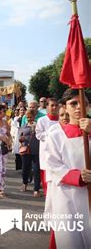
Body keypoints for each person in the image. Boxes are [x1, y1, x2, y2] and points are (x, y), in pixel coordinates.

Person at [43, 89, 91, 248]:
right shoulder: (55, 134)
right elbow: (52, 164)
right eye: (73, 103)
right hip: (66, 196)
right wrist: (78, 177)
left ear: (89, 106)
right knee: (71, 241)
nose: (79, 107)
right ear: (64, 107)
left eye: (83, 103)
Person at [35, 98, 59, 196]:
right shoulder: (42, 120)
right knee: (46, 179)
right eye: (52, 105)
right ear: (47, 107)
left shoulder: (62, 120)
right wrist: (51, 135)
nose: (54, 108)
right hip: (46, 153)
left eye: (56, 105)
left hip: (58, 154)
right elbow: (38, 135)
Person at [19, 109, 41, 196]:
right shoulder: (23, 126)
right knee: (25, 169)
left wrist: (35, 128)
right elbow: (19, 137)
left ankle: (36, 189)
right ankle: (24, 183)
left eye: (30, 117)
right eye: (27, 117)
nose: (29, 119)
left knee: (36, 170)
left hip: (36, 151)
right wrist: (21, 140)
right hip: (26, 151)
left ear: (34, 116)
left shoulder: (39, 126)